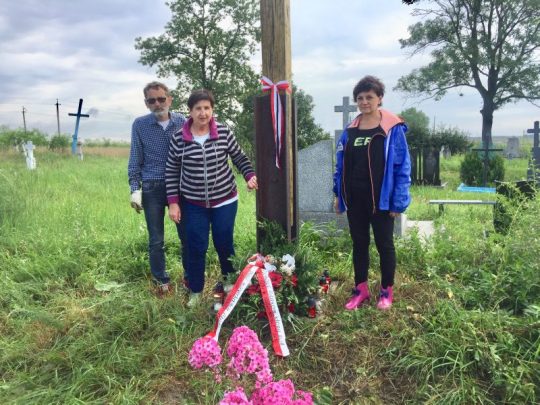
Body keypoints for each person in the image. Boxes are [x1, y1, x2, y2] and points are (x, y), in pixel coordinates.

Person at [165, 89, 258, 307]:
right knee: (196, 245)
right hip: (193, 203)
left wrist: (249, 176)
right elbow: (171, 171)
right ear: (190, 111)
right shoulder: (179, 138)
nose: (203, 113)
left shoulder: (223, 132)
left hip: (224, 199)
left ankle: (229, 285)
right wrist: (173, 203)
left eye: (207, 108)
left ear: (212, 110)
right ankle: (196, 291)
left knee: (224, 242)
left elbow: (239, 157)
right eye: (198, 108)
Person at [333, 75, 411, 310]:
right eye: (360, 98)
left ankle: (386, 291)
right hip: (355, 198)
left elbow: (402, 166)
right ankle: (361, 290)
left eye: (369, 97)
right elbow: (340, 164)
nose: (364, 102)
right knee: (359, 243)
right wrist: (338, 194)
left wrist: (398, 201)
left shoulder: (392, 129)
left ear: (380, 98)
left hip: (381, 200)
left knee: (384, 244)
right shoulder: (350, 131)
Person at [128, 81, 186, 297]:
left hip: (180, 186)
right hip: (152, 186)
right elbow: (135, 158)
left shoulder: (183, 122)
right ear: (146, 103)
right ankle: (161, 280)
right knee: (156, 240)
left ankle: (190, 277)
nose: (158, 104)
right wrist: (135, 189)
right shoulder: (140, 125)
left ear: (170, 99)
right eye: (152, 100)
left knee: (186, 235)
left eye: (161, 99)